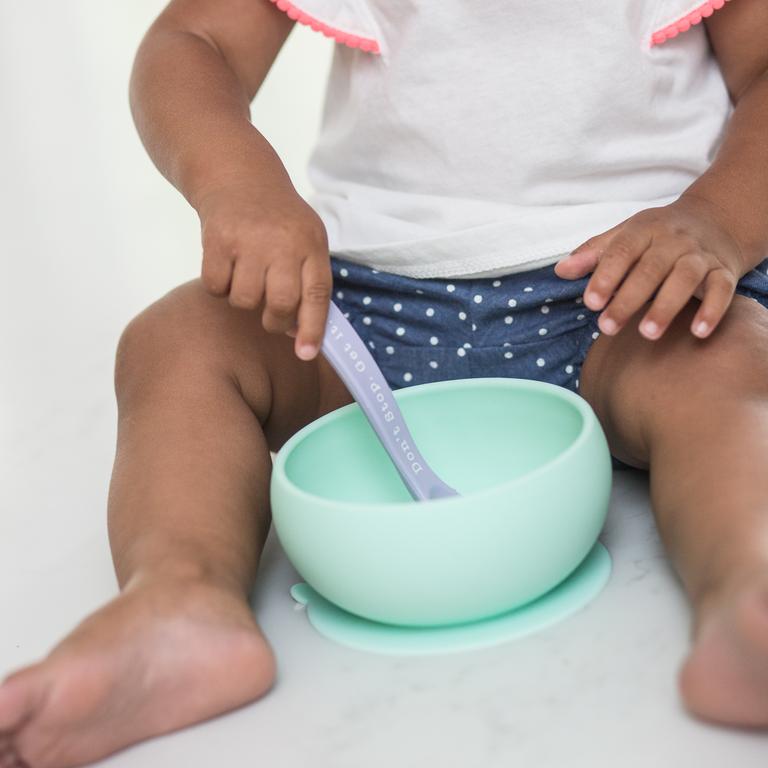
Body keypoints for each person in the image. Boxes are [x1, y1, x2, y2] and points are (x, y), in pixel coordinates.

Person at [2, 0, 768, 764]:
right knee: (177, 341)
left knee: (724, 356)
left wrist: (716, 220)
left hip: (631, 289)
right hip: (358, 304)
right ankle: (180, 599)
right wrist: (235, 182)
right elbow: (193, 40)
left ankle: (748, 584)